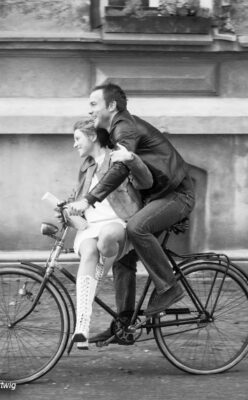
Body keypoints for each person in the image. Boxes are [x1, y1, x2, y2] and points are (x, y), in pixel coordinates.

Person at [67, 83, 195, 344]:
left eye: (94, 104)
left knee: (137, 227)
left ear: (111, 106)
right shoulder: (117, 129)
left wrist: (90, 199)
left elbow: (121, 168)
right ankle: (124, 324)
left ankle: (169, 287)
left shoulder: (124, 127)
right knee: (125, 254)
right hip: (158, 195)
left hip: (177, 194)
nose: (90, 110)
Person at [67, 120, 153, 350]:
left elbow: (146, 181)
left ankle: (99, 273)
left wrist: (131, 159)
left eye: (78, 139)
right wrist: (67, 208)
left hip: (118, 223)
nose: (74, 145)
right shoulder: (86, 167)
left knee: (106, 237)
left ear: (93, 136)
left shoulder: (117, 157)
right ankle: (82, 328)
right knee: (88, 252)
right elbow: (79, 198)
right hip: (90, 227)